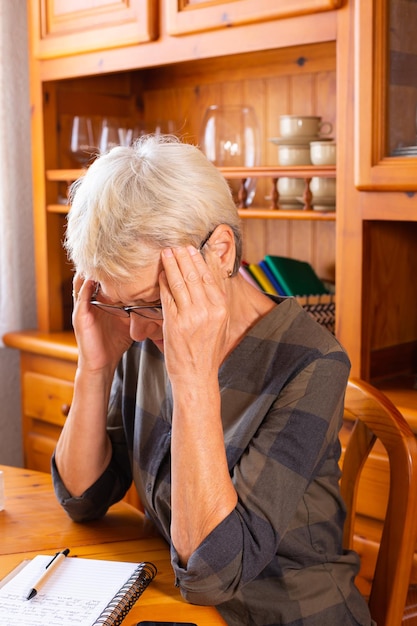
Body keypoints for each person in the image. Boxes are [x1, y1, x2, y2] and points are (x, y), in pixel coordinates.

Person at [52, 134, 373, 626]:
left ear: (220, 252)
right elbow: (84, 498)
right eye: (118, 304)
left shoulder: (312, 361)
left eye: (151, 303)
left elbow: (211, 573)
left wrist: (194, 377)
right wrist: (93, 368)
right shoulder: (142, 329)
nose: (135, 328)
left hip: (289, 615)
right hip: (184, 608)